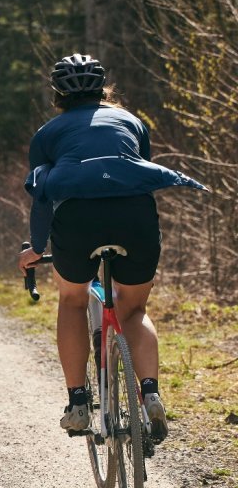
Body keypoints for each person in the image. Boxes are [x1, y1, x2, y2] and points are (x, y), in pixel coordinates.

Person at [17, 54, 205, 444]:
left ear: (58, 96)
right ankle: (150, 391)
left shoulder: (47, 134)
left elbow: (42, 196)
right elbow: (137, 174)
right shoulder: (131, 122)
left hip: (78, 221)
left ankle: (78, 402)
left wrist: (37, 247)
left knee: (71, 300)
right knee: (134, 308)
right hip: (133, 217)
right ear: (105, 89)